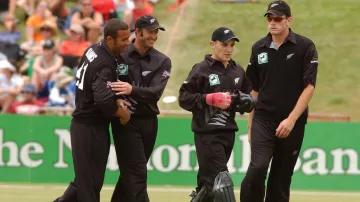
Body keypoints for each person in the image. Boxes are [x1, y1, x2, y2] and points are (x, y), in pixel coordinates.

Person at [240, 1, 319, 202]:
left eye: (277, 18)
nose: (272, 22)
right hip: (263, 119)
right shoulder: (259, 48)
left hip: (292, 123)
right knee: (257, 168)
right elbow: (253, 90)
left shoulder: (305, 46)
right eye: (269, 18)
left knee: (281, 179)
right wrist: (250, 127)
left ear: (288, 20)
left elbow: (309, 87)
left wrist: (291, 120)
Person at [53, 18, 131, 202]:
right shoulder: (104, 63)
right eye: (124, 39)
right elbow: (103, 99)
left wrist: (117, 98)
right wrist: (121, 112)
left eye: (129, 38)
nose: (128, 43)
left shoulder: (92, 50)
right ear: (110, 40)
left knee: (84, 182)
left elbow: (96, 88)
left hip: (85, 125)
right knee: (90, 186)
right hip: (90, 127)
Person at [178, 27, 256, 202]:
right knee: (223, 181)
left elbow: (250, 99)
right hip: (207, 134)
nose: (228, 49)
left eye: (232, 45)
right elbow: (183, 98)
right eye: (224, 44)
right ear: (213, 44)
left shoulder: (237, 70)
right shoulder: (201, 69)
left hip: (228, 133)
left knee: (208, 186)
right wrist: (208, 98)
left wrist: (246, 102)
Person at [110, 15, 171, 202]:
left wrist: (131, 89)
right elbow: (108, 84)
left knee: (131, 172)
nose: (154, 36)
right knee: (137, 172)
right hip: (125, 119)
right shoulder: (120, 54)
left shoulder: (162, 61)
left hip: (149, 121)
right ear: (137, 32)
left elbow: (155, 93)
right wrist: (118, 101)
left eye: (156, 32)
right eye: (150, 32)